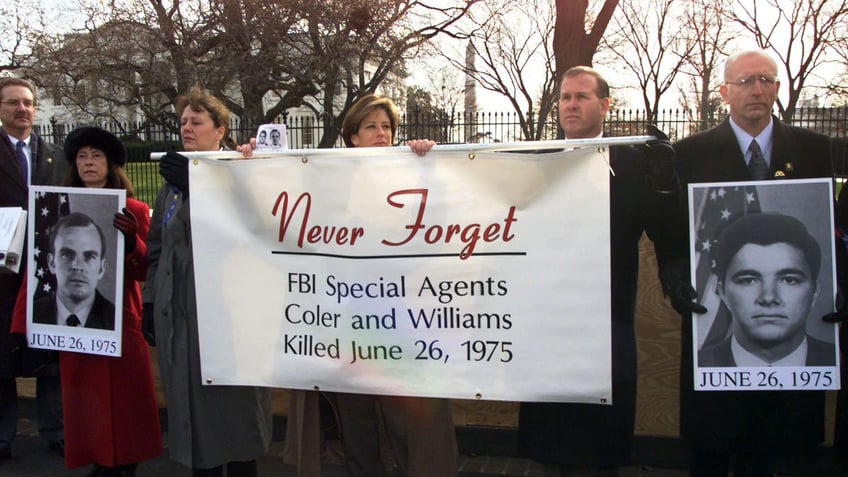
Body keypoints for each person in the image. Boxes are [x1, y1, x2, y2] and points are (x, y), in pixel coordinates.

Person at [661, 49, 835, 476]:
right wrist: (675, 276)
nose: (756, 90)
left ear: (777, 87)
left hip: (790, 380)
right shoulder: (688, 154)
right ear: (724, 92)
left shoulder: (817, 150)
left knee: (778, 452)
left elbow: (838, 228)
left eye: (765, 80)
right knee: (712, 447)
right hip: (712, 334)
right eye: (745, 82)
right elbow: (670, 231)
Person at [516, 66, 680, 475]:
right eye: (565, 97)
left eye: (581, 96)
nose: (571, 104)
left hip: (608, 317)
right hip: (549, 317)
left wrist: (664, 183)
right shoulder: (538, 160)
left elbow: (665, 229)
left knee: (599, 443)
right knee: (553, 439)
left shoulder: (631, 161)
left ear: (605, 105)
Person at [12, 126, 162, 476]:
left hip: (120, 321)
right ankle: (99, 461)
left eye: (96, 156)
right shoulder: (53, 207)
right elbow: (38, 271)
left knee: (126, 401)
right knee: (87, 403)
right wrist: (23, 326)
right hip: (75, 331)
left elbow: (145, 270)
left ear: (110, 164)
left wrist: (130, 242)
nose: (89, 163)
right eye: (82, 156)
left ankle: (126, 463)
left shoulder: (135, 210)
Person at [143, 86, 273, 477]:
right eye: (182, 121)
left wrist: (203, 189)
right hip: (178, 318)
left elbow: (249, 234)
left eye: (196, 121)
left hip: (225, 321)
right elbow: (157, 248)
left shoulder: (238, 174)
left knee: (234, 416)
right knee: (193, 420)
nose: (186, 128)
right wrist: (151, 300)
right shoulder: (171, 184)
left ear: (219, 130)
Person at [0, 77, 66, 460]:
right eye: (12, 103)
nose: (21, 109)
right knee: (3, 356)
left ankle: (55, 430)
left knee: (48, 353)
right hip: (3, 273)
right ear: (1, 109)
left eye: (27, 102)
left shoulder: (55, 154)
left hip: (46, 269)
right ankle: (4, 436)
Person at [697, 212, 835, 367]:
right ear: (723, 293)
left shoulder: (839, 361)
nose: (768, 297)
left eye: (789, 280)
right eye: (748, 280)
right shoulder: (698, 365)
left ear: (815, 292)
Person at [33, 212, 115, 330]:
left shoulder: (115, 321)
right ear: (51, 263)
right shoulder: (32, 314)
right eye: (67, 255)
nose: (77, 266)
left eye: (89, 256)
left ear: (102, 268)